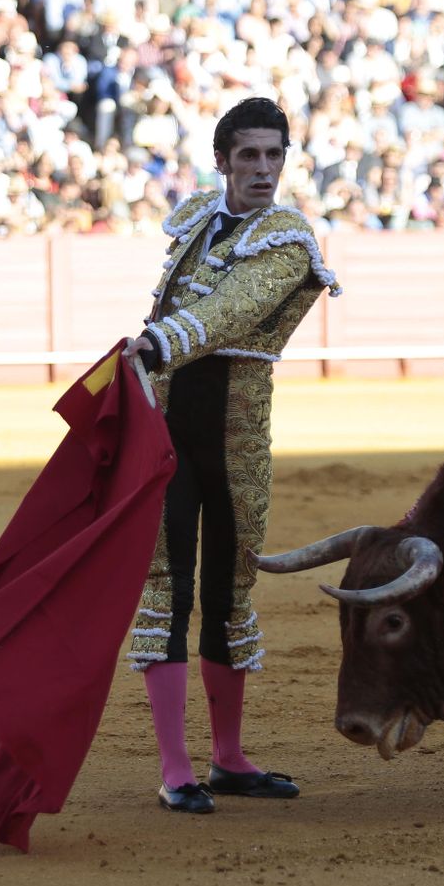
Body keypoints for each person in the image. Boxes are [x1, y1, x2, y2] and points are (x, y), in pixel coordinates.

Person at [122, 97, 341, 815]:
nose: (263, 169)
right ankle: (175, 766)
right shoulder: (194, 225)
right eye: (248, 155)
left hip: (237, 438)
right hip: (167, 429)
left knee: (229, 587)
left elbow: (235, 310)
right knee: (168, 586)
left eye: (274, 155)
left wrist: (163, 342)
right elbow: (182, 313)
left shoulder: (285, 238)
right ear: (222, 161)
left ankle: (229, 757)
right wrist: (151, 354)